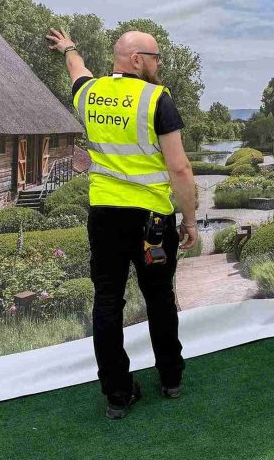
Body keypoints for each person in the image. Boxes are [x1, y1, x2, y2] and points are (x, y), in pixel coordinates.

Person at [46, 27, 199, 420]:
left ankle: (116, 394)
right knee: (160, 298)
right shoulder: (156, 99)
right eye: (155, 56)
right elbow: (179, 168)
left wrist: (69, 48)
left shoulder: (89, 94)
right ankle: (171, 379)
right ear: (136, 60)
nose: (159, 63)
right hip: (151, 222)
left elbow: (77, 70)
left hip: (105, 218)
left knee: (108, 301)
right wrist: (191, 220)